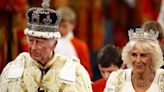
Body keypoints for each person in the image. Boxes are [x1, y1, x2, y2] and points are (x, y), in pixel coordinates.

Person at [0, 0, 92, 92]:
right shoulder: (12, 69)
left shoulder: (75, 72)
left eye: (39, 42)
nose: (33, 47)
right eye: (31, 41)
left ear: (54, 44)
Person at [54, 6, 93, 79]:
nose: (60, 29)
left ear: (73, 25)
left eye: (64, 26)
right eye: (58, 26)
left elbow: (86, 70)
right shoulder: (50, 42)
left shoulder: (80, 45)